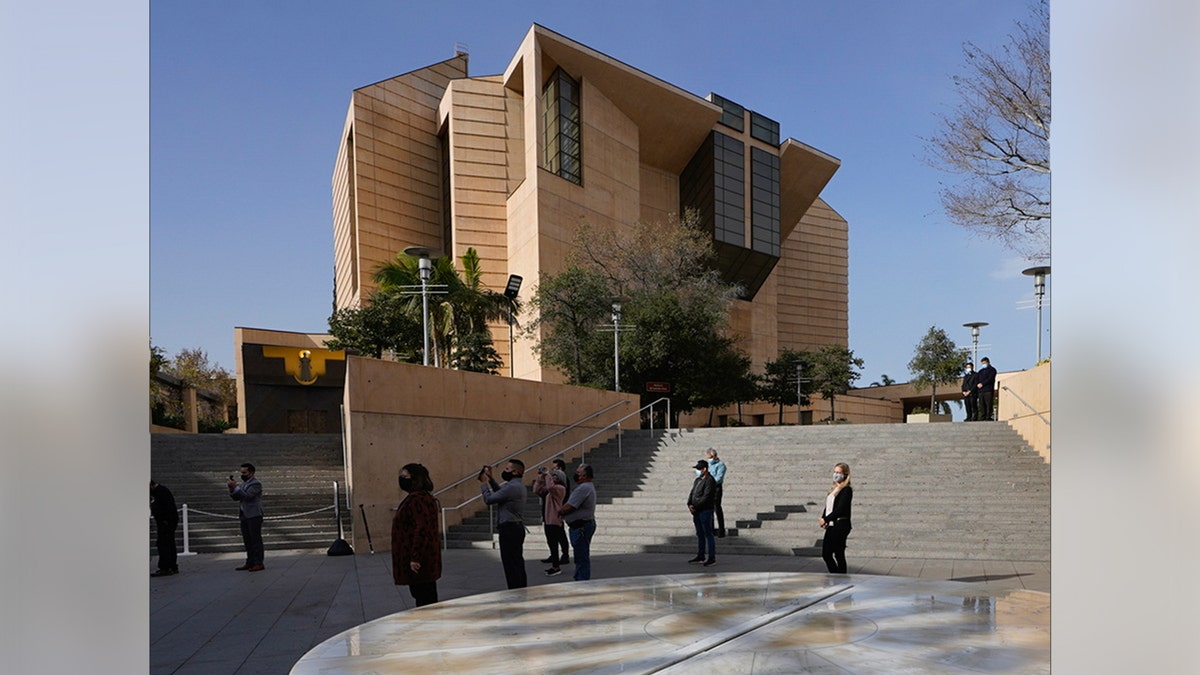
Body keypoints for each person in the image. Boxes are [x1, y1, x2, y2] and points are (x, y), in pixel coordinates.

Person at [391, 463, 442, 607]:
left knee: (424, 598)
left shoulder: (417, 500)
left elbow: (422, 529)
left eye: (404, 476)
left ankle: (428, 627)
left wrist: (415, 557)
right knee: (425, 596)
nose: (401, 479)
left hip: (421, 560)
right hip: (425, 558)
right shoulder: (424, 498)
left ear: (415, 479)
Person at [479, 459, 527, 589]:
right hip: (515, 528)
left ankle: (515, 591)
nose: (504, 471)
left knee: (511, 565)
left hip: (509, 529)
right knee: (516, 562)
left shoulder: (512, 487)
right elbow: (501, 493)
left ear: (515, 471)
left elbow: (489, 499)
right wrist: (491, 479)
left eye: (507, 469)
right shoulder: (516, 486)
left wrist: (484, 484)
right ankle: (520, 589)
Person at [559, 463, 596, 581]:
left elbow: (570, 506)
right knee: (581, 555)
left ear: (585, 476)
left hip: (581, 527)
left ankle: (582, 581)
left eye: (578, 473)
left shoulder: (583, 488)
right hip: (582, 525)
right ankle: (580, 577)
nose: (576, 475)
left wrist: (559, 511)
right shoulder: (587, 487)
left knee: (581, 556)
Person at [228, 462, 265, 571]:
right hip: (244, 514)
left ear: (251, 473)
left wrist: (237, 488)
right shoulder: (243, 484)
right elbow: (236, 497)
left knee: (255, 539)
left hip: (254, 515)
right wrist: (232, 489)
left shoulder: (256, 484)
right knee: (247, 540)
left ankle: (259, 562)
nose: (242, 475)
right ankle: (250, 561)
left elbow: (248, 496)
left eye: (245, 472)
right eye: (241, 472)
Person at [533, 466, 569, 575]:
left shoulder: (560, 489)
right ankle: (555, 564)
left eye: (555, 476)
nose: (553, 478)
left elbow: (550, 487)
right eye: (552, 476)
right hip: (547, 519)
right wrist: (540, 478)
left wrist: (547, 475)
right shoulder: (549, 490)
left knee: (555, 542)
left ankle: (556, 566)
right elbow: (536, 490)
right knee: (551, 543)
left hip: (554, 520)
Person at [819, 462, 853, 574]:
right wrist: (823, 518)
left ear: (845, 474)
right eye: (834, 472)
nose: (836, 474)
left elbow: (840, 509)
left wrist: (826, 519)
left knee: (836, 553)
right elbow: (828, 507)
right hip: (831, 525)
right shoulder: (833, 490)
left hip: (840, 525)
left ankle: (840, 576)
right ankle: (837, 575)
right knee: (827, 554)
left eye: (838, 472)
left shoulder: (846, 490)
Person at [687, 460, 717, 567]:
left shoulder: (710, 480)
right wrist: (689, 504)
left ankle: (712, 557)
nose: (698, 471)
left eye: (699, 469)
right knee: (700, 534)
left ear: (705, 469)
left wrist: (696, 506)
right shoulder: (697, 480)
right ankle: (700, 555)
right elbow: (692, 492)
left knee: (708, 534)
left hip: (705, 510)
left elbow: (706, 496)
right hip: (696, 512)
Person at [149, 480, 179, 577]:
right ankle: (172, 566)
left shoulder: (161, 492)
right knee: (168, 543)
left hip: (166, 522)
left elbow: (165, 508)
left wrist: (164, 520)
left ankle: (165, 567)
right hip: (167, 521)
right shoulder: (161, 491)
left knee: (164, 543)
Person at [705, 448, 727, 537]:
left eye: (710, 457)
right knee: (709, 509)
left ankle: (721, 529)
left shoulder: (721, 465)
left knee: (717, 508)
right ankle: (711, 529)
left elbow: (719, 478)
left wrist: (709, 481)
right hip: (708, 488)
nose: (709, 459)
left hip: (716, 488)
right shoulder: (708, 465)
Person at [975, 357, 997, 421]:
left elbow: (990, 379)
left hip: (988, 390)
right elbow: (977, 379)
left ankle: (988, 417)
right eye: (982, 363)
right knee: (982, 405)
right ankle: (982, 417)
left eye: (984, 363)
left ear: (988, 362)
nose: (983, 364)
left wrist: (983, 383)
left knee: (988, 404)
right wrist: (978, 384)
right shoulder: (980, 371)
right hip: (981, 391)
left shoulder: (992, 370)